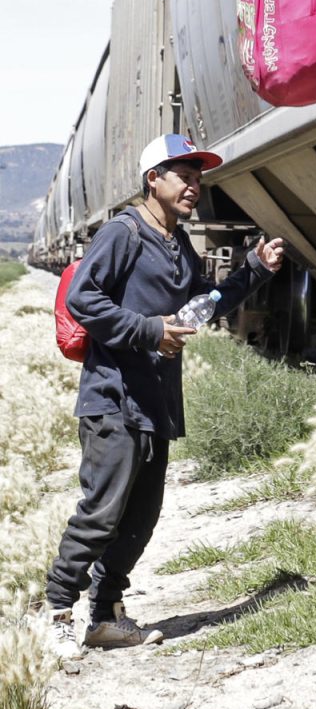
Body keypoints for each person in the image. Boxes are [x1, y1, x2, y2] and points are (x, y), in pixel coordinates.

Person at [43, 134, 286, 659]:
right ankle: (58, 611)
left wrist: (255, 271)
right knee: (101, 512)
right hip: (112, 396)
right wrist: (150, 331)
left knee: (142, 516)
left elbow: (200, 307)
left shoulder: (178, 244)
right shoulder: (122, 233)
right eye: (183, 174)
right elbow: (85, 298)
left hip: (155, 399)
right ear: (153, 178)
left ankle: (106, 617)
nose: (194, 185)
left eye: (198, 177)